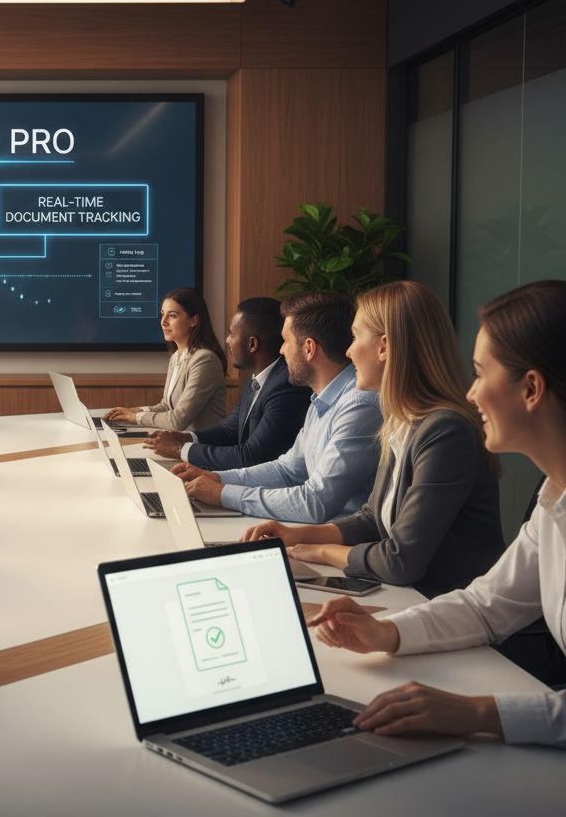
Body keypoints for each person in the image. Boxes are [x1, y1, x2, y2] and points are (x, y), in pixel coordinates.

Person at [308, 280, 566, 747]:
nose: (471, 393)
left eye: (480, 373)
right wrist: (384, 632)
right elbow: (487, 605)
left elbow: (407, 560)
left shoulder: (445, 429)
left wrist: (479, 712)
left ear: (531, 389)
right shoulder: (552, 502)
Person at [241, 282, 504, 597]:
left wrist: (319, 551)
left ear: (385, 347)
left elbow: (399, 562)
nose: (349, 351)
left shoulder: (445, 431)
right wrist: (293, 536)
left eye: (354, 336)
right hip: (409, 597)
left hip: (445, 606)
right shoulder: (402, 421)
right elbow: (372, 519)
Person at [173, 290, 381, 523]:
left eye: (286, 341)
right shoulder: (321, 399)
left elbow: (315, 503)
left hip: (334, 544)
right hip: (309, 531)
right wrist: (217, 478)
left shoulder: (359, 405)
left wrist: (223, 494)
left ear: (309, 348)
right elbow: (288, 470)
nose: (281, 350)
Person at [143, 296, 311, 470]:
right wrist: (185, 438)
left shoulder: (286, 387)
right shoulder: (256, 380)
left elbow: (250, 456)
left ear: (252, 344)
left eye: (232, 334)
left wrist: (180, 449)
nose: (227, 341)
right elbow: (229, 431)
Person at [104, 287, 227, 431]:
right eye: (162, 314)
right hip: (180, 443)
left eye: (172, 316)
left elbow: (177, 420)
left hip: (204, 447)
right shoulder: (176, 356)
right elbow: (166, 406)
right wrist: (134, 411)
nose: (163, 322)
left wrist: (136, 417)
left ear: (193, 321)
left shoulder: (205, 360)